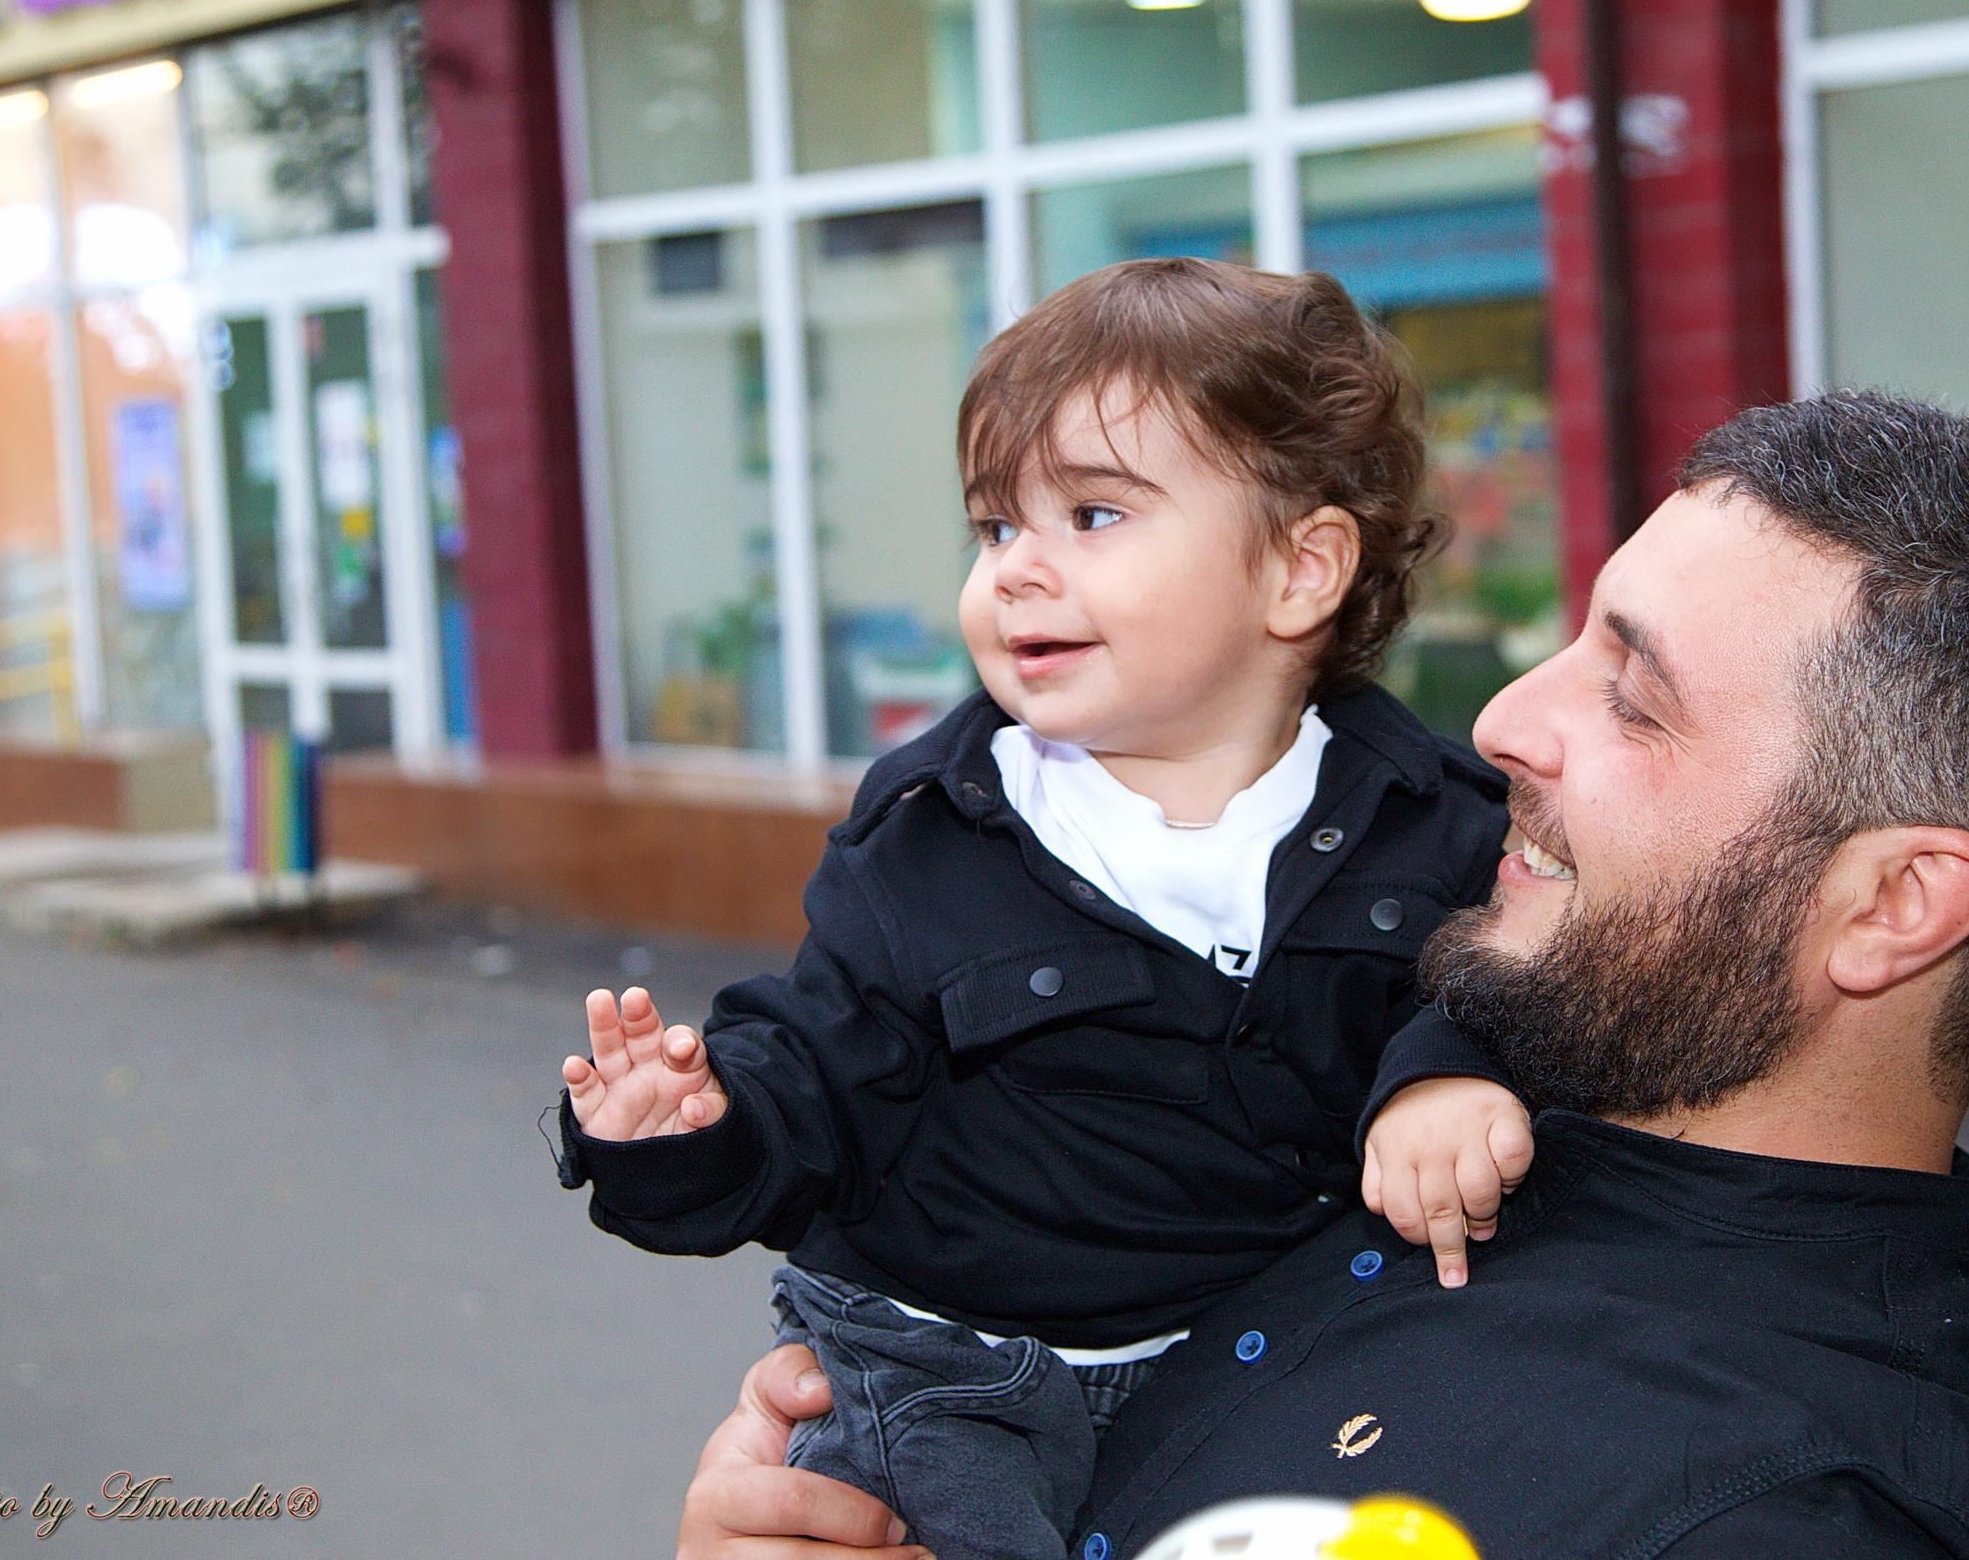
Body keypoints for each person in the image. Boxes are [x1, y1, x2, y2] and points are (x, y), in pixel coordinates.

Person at [672, 392, 1969, 1560]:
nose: (1502, 720)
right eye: (1574, 638)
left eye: (1633, 701)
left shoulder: (1788, 1511)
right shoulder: (1459, 1101)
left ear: (1896, 904)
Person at [554, 261, 1540, 1560]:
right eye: (994, 528)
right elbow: (819, 1063)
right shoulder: (934, 826)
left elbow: (1507, 987)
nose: (1015, 571)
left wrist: (1446, 1077)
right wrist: (691, 1130)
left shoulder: (1438, 823)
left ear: (1301, 572)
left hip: (1274, 1352)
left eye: (1092, 515)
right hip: (954, 1371)